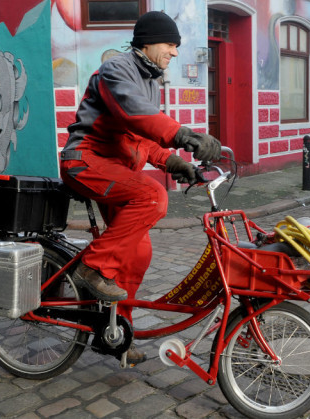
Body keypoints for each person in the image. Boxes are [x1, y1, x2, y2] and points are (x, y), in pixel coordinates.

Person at [59, 11, 221, 364]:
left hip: (114, 168)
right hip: (84, 161)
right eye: (170, 45)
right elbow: (136, 115)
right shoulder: (115, 70)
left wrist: (173, 161)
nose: (175, 53)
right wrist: (185, 136)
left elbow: (139, 136)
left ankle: (114, 334)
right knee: (151, 196)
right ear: (147, 42)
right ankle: (91, 268)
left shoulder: (149, 79)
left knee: (138, 254)